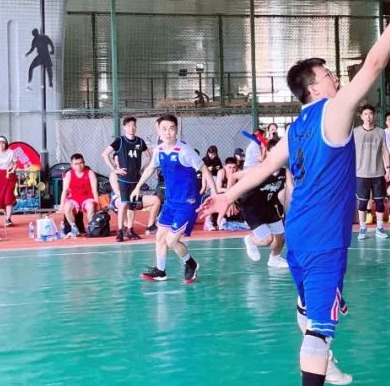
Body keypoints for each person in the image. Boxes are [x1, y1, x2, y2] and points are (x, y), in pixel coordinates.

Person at [198, 0, 390, 386]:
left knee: (306, 307)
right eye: (328, 74)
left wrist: (227, 195)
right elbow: (375, 63)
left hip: (299, 232)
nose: (336, 78)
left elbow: (264, 167)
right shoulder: (334, 112)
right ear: (315, 89)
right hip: (322, 238)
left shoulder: (297, 127)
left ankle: (324, 359)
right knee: (319, 325)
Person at [133, 114, 214, 284]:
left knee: (171, 241)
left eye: (171, 128)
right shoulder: (159, 150)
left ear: (176, 130)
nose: (168, 132)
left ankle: (190, 263)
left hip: (187, 203)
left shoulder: (184, 150)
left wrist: (215, 193)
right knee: (160, 237)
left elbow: (204, 169)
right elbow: (150, 169)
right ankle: (161, 271)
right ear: (158, 130)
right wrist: (138, 186)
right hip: (170, 202)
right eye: (164, 129)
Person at [233, 140, 290, 269]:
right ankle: (250, 239)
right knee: (267, 239)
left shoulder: (284, 171)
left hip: (268, 206)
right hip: (252, 208)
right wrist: (230, 200)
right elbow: (234, 176)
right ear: (268, 153)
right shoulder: (259, 170)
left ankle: (274, 259)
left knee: (281, 235)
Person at [102, 116, 151, 241]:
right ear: (124, 127)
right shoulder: (120, 141)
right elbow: (105, 154)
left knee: (132, 206)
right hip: (124, 179)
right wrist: (114, 169)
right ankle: (120, 231)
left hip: (135, 179)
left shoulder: (140, 141)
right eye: (129, 125)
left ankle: (130, 229)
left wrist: (143, 168)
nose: (131, 128)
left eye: (133, 125)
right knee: (123, 204)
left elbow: (149, 156)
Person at [354, 104, 390, 240]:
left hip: (378, 173)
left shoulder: (381, 132)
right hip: (361, 173)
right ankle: (362, 228)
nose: (368, 116)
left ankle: (379, 228)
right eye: (365, 114)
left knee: (379, 202)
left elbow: (385, 150)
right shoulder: (355, 132)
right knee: (362, 203)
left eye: (370, 114)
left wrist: (388, 168)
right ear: (361, 116)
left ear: (374, 115)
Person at [59, 153, 98, 236]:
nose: (79, 166)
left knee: (91, 206)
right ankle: (74, 228)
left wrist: (97, 204)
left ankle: (91, 228)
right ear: (72, 165)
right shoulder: (69, 174)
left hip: (87, 198)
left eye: (81, 163)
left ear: (84, 162)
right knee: (67, 207)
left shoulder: (90, 173)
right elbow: (65, 191)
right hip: (74, 199)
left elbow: (94, 190)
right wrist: (61, 205)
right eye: (76, 164)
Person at [0, 136, 18, 226]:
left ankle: (8, 218)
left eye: (3, 143)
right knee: (0, 199)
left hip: (9, 175)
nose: (1, 145)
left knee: (8, 197)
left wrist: (12, 170)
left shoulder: (11, 152)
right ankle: (7, 217)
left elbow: (15, 163)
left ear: (6, 144)